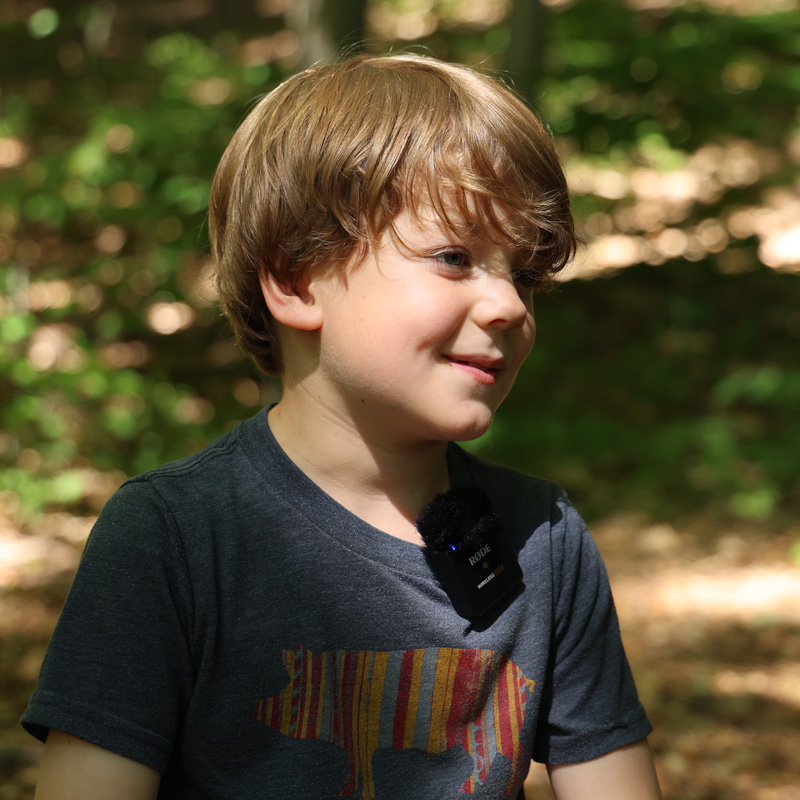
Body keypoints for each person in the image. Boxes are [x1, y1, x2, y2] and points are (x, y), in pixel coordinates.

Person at [23, 53, 661, 799]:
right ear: (296, 280)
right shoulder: (174, 537)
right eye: (455, 258)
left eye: (523, 274)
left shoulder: (542, 537)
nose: (510, 307)